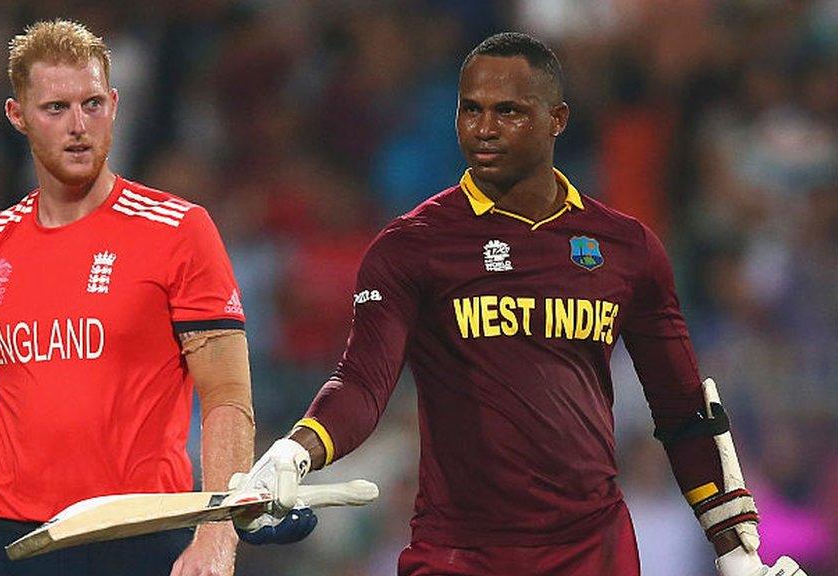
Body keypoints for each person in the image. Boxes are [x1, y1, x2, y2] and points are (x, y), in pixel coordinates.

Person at [232, 33, 807, 576]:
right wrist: (295, 449)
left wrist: (736, 547)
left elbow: (684, 410)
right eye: (470, 109)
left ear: (557, 120)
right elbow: (361, 384)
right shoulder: (412, 245)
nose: (483, 128)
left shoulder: (627, 249)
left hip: (593, 550)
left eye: (508, 111)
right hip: (461, 551)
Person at [0, 20, 255, 576]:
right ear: (17, 115)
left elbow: (227, 399)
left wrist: (216, 540)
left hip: (137, 534)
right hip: (11, 541)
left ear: (116, 105)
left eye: (93, 104)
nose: (80, 126)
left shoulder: (179, 231)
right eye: (56, 109)